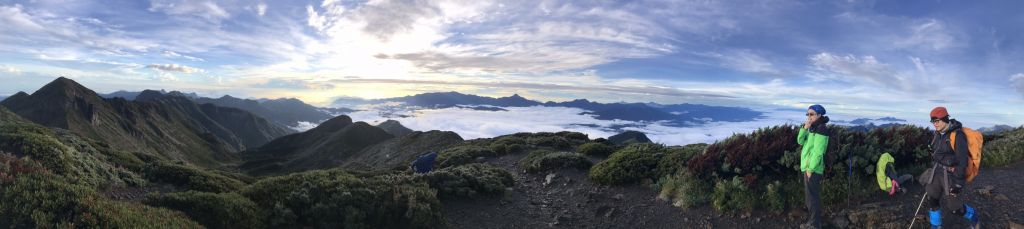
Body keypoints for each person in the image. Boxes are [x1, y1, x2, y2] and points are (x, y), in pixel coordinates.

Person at [926, 107, 981, 229]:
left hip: (951, 175)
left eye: (937, 120)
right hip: (937, 172)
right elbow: (939, 152)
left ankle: (975, 217)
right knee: (932, 199)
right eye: (933, 121)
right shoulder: (937, 133)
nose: (935, 124)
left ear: (945, 119)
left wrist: (958, 184)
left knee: (955, 209)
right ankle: (936, 226)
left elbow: (962, 162)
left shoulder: (958, 135)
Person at [796, 104, 829, 229]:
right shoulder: (812, 128)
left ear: (819, 115)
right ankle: (814, 222)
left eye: (812, 114)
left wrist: (810, 169)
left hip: (813, 169)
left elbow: (818, 152)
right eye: (807, 114)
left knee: (812, 198)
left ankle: (814, 224)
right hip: (808, 167)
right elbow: (800, 141)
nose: (809, 116)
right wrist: (805, 128)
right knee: (809, 197)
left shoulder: (821, 129)